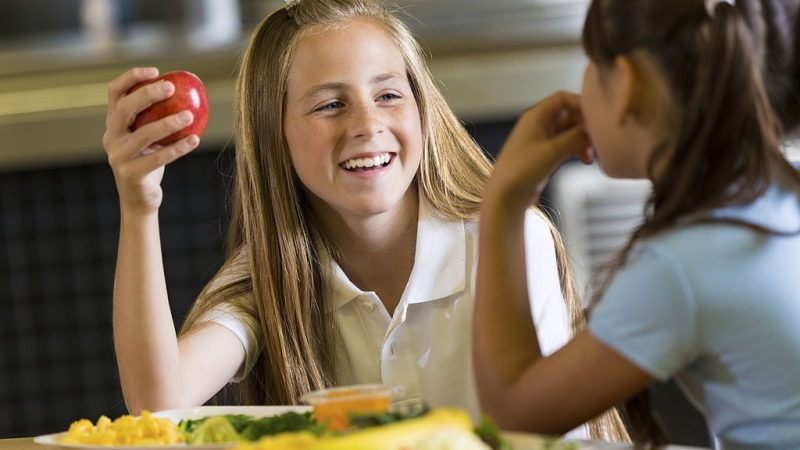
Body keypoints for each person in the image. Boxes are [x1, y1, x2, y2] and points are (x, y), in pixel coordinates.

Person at [102, 0, 627, 440]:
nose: (367, 124)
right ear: (273, 135)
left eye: (389, 95)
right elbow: (158, 406)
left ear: (421, 108)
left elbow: (546, 439)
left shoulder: (508, 239)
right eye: (330, 105)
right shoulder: (273, 273)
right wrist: (139, 204)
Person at [473, 0, 800, 447]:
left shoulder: (686, 262)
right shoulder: (780, 195)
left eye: (592, 63)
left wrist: (503, 202)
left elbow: (514, 411)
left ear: (628, 84)